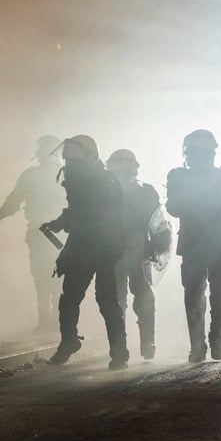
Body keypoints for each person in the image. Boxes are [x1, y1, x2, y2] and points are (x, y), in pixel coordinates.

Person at [41, 135, 129, 370]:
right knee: (69, 298)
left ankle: (120, 353)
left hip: (103, 248)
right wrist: (59, 223)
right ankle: (69, 341)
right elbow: (76, 211)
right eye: (68, 161)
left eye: (74, 161)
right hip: (82, 247)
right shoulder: (82, 180)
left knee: (107, 300)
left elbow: (95, 216)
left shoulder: (102, 181)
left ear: (89, 159)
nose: (69, 166)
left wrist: (67, 223)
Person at [166, 129, 221, 363]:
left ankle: (212, 340)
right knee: (199, 296)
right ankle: (203, 343)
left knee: (212, 296)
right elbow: (174, 207)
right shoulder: (181, 177)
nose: (200, 157)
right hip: (199, 245)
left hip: (214, 245)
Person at [0, 135, 66, 333]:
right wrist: (0, 214)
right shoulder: (66, 174)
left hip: (45, 234)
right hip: (58, 235)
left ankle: (48, 322)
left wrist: (0, 215)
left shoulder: (35, 175)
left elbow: (14, 199)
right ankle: (55, 322)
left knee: (43, 278)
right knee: (56, 279)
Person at [106, 148, 161, 360]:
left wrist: (156, 246)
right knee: (117, 300)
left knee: (129, 299)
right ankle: (127, 347)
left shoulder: (145, 192)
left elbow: (156, 222)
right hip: (114, 252)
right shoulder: (103, 192)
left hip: (136, 252)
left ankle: (139, 344)